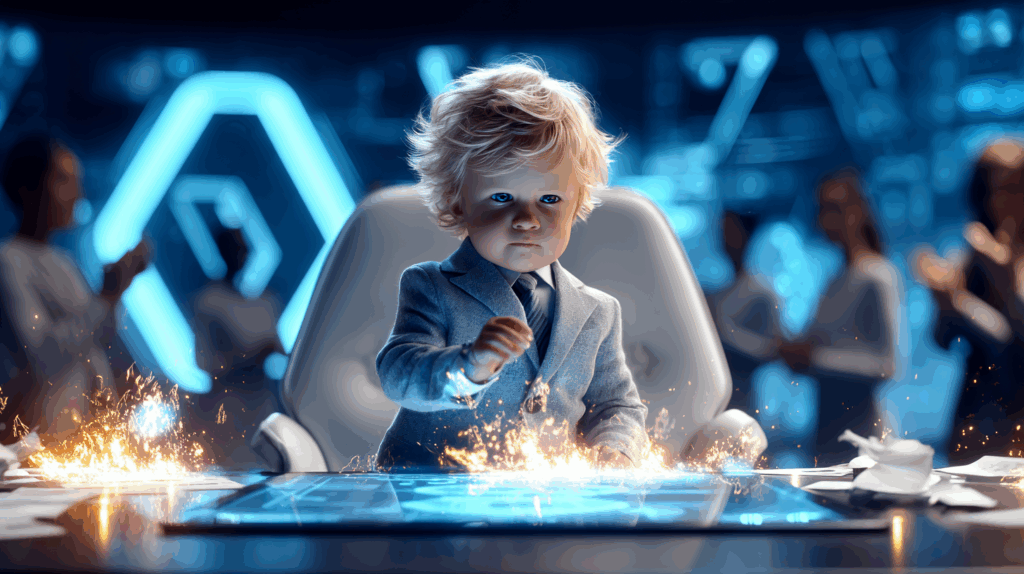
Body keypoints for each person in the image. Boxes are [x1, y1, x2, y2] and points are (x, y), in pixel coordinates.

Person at [374, 59, 648, 471]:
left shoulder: (600, 312)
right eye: (502, 197)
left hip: (547, 502)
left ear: (577, 206)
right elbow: (400, 373)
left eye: (550, 200)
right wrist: (468, 367)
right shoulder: (429, 285)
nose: (527, 220)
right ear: (456, 200)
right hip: (437, 497)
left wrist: (614, 449)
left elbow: (616, 406)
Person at [0, 134, 149, 443]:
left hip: (78, 439)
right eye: (63, 181)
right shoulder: (8, 262)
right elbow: (42, 354)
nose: (76, 194)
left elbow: (97, 338)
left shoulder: (63, 262)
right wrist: (106, 295)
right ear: (28, 188)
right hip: (36, 445)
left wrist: (116, 290)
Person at [779, 168, 904, 467]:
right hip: (828, 435)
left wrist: (815, 359)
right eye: (823, 210)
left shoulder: (877, 275)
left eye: (835, 209)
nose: (827, 220)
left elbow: (887, 364)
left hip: (865, 441)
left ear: (858, 210)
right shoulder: (835, 280)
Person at [914, 139, 1024, 463]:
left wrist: (1000, 285)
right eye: (998, 189)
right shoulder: (970, 256)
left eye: (1016, 187)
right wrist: (943, 301)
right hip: (976, 414)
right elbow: (943, 340)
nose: (1007, 200)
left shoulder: (990, 257)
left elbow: (1013, 348)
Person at [188, 226, 284, 468]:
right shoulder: (209, 303)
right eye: (235, 248)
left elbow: (281, 350)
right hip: (225, 411)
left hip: (261, 409)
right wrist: (252, 356)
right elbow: (207, 363)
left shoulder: (266, 304)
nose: (240, 255)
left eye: (243, 249)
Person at [706, 210, 783, 415]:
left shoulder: (762, 292)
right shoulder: (720, 294)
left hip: (743, 396)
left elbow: (772, 349)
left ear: (745, 235)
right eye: (723, 232)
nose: (725, 238)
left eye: (731, 232)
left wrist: (725, 334)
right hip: (713, 398)